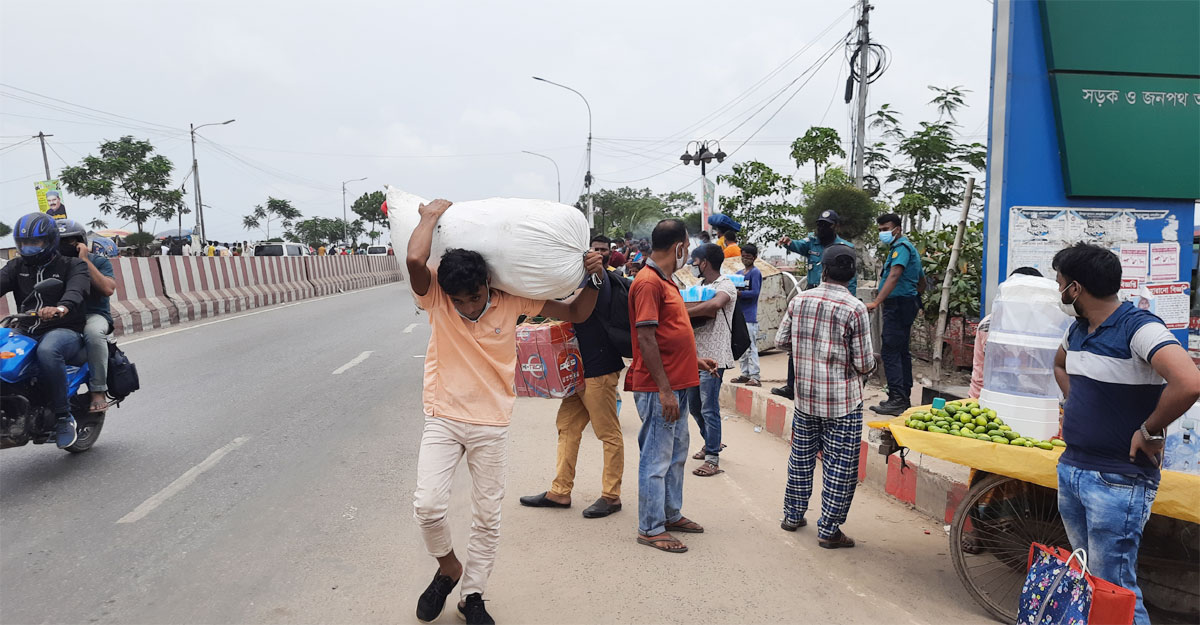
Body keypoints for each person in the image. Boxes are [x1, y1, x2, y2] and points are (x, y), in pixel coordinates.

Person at [407, 199, 605, 625]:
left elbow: (576, 311)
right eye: (459, 300)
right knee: (427, 507)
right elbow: (414, 261)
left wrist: (594, 277)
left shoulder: (512, 301)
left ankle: (472, 595)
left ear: (488, 285)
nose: (467, 307)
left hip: (492, 422)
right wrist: (428, 217)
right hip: (443, 417)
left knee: (487, 517)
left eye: (474, 297)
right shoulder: (437, 300)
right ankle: (448, 569)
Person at [1050, 243, 1200, 625]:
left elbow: (1189, 383)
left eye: (1060, 282)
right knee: (1087, 582)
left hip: (1117, 480)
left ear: (1076, 289)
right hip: (1074, 469)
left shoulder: (1139, 328)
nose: (1058, 290)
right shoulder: (1077, 330)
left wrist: (1149, 429)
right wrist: (1075, 403)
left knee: (1115, 590)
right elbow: (1060, 365)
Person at [626, 218, 718, 554]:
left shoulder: (666, 281)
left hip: (677, 381)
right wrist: (664, 390)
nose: (688, 253)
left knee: (676, 454)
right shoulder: (648, 283)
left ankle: (670, 513)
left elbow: (669, 334)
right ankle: (651, 527)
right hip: (659, 388)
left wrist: (694, 360)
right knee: (656, 457)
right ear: (679, 246)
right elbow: (646, 337)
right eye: (687, 247)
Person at [775, 245, 875, 548]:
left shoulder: (800, 300)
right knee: (840, 468)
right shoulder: (855, 308)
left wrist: (806, 353)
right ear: (852, 274)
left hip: (805, 398)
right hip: (843, 402)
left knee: (801, 459)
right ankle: (829, 530)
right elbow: (864, 363)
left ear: (824, 270)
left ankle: (792, 516)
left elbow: (781, 341)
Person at [520, 235, 627, 519]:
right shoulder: (576, 280)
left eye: (603, 251)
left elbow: (577, 303)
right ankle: (560, 491)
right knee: (567, 426)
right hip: (577, 370)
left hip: (599, 369)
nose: (598, 254)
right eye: (594, 250)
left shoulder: (600, 280)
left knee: (608, 433)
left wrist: (596, 270)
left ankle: (611, 496)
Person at [0, 213, 91, 448]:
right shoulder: (16, 266)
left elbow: (76, 290)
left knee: (48, 351)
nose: (28, 248)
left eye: (34, 242)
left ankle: (63, 416)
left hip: (64, 328)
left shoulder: (73, 265)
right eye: (23, 243)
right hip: (26, 328)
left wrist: (61, 307)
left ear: (50, 240)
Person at [774, 210, 857, 400]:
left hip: (835, 300)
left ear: (835, 226)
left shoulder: (845, 248)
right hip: (811, 297)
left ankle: (828, 386)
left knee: (829, 344)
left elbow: (851, 280)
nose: (822, 228)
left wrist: (848, 301)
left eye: (826, 225)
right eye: (820, 224)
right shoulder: (812, 243)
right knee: (797, 340)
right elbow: (797, 245)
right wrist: (788, 242)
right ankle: (792, 386)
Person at [684, 243, 738, 477]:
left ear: (704, 262)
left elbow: (716, 304)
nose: (692, 265)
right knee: (694, 406)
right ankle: (711, 442)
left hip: (714, 358)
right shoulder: (699, 287)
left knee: (709, 408)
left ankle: (712, 459)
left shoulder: (726, 285)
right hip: (695, 357)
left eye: (694, 261)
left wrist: (683, 312)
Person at [866, 213, 924, 416]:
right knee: (900, 351)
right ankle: (902, 396)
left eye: (886, 229)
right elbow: (921, 279)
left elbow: (894, 274)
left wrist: (876, 302)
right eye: (880, 230)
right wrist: (915, 298)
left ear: (897, 229)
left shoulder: (901, 248)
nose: (883, 233)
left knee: (890, 351)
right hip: (905, 303)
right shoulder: (906, 249)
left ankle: (897, 399)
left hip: (898, 305)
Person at [57, 220, 116, 413]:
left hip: (93, 315)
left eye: (69, 241)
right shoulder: (54, 265)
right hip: (63, 315)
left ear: (81, 242)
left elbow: (108, 289)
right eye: (59, 242)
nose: (64, 246)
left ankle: (98, 390)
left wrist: (84, 260)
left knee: (93, 333)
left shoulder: (98, 261)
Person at [968, 267, 1043, 398]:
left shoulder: (1041, 325)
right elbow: (988, 370)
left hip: (1027, 398)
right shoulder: (990, 325)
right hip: (990, 396)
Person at [730, 243, 762, 387]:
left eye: (748, 256)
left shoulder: (755, 273)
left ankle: (755, 376)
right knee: (742, 346)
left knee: (751, 347)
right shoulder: (738, 274)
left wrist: (740, 294)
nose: (745, 259)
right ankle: (745, 373)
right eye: (743, 256)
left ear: (754, 257)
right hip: (739, 316)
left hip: (749, 316)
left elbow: (755, 292)